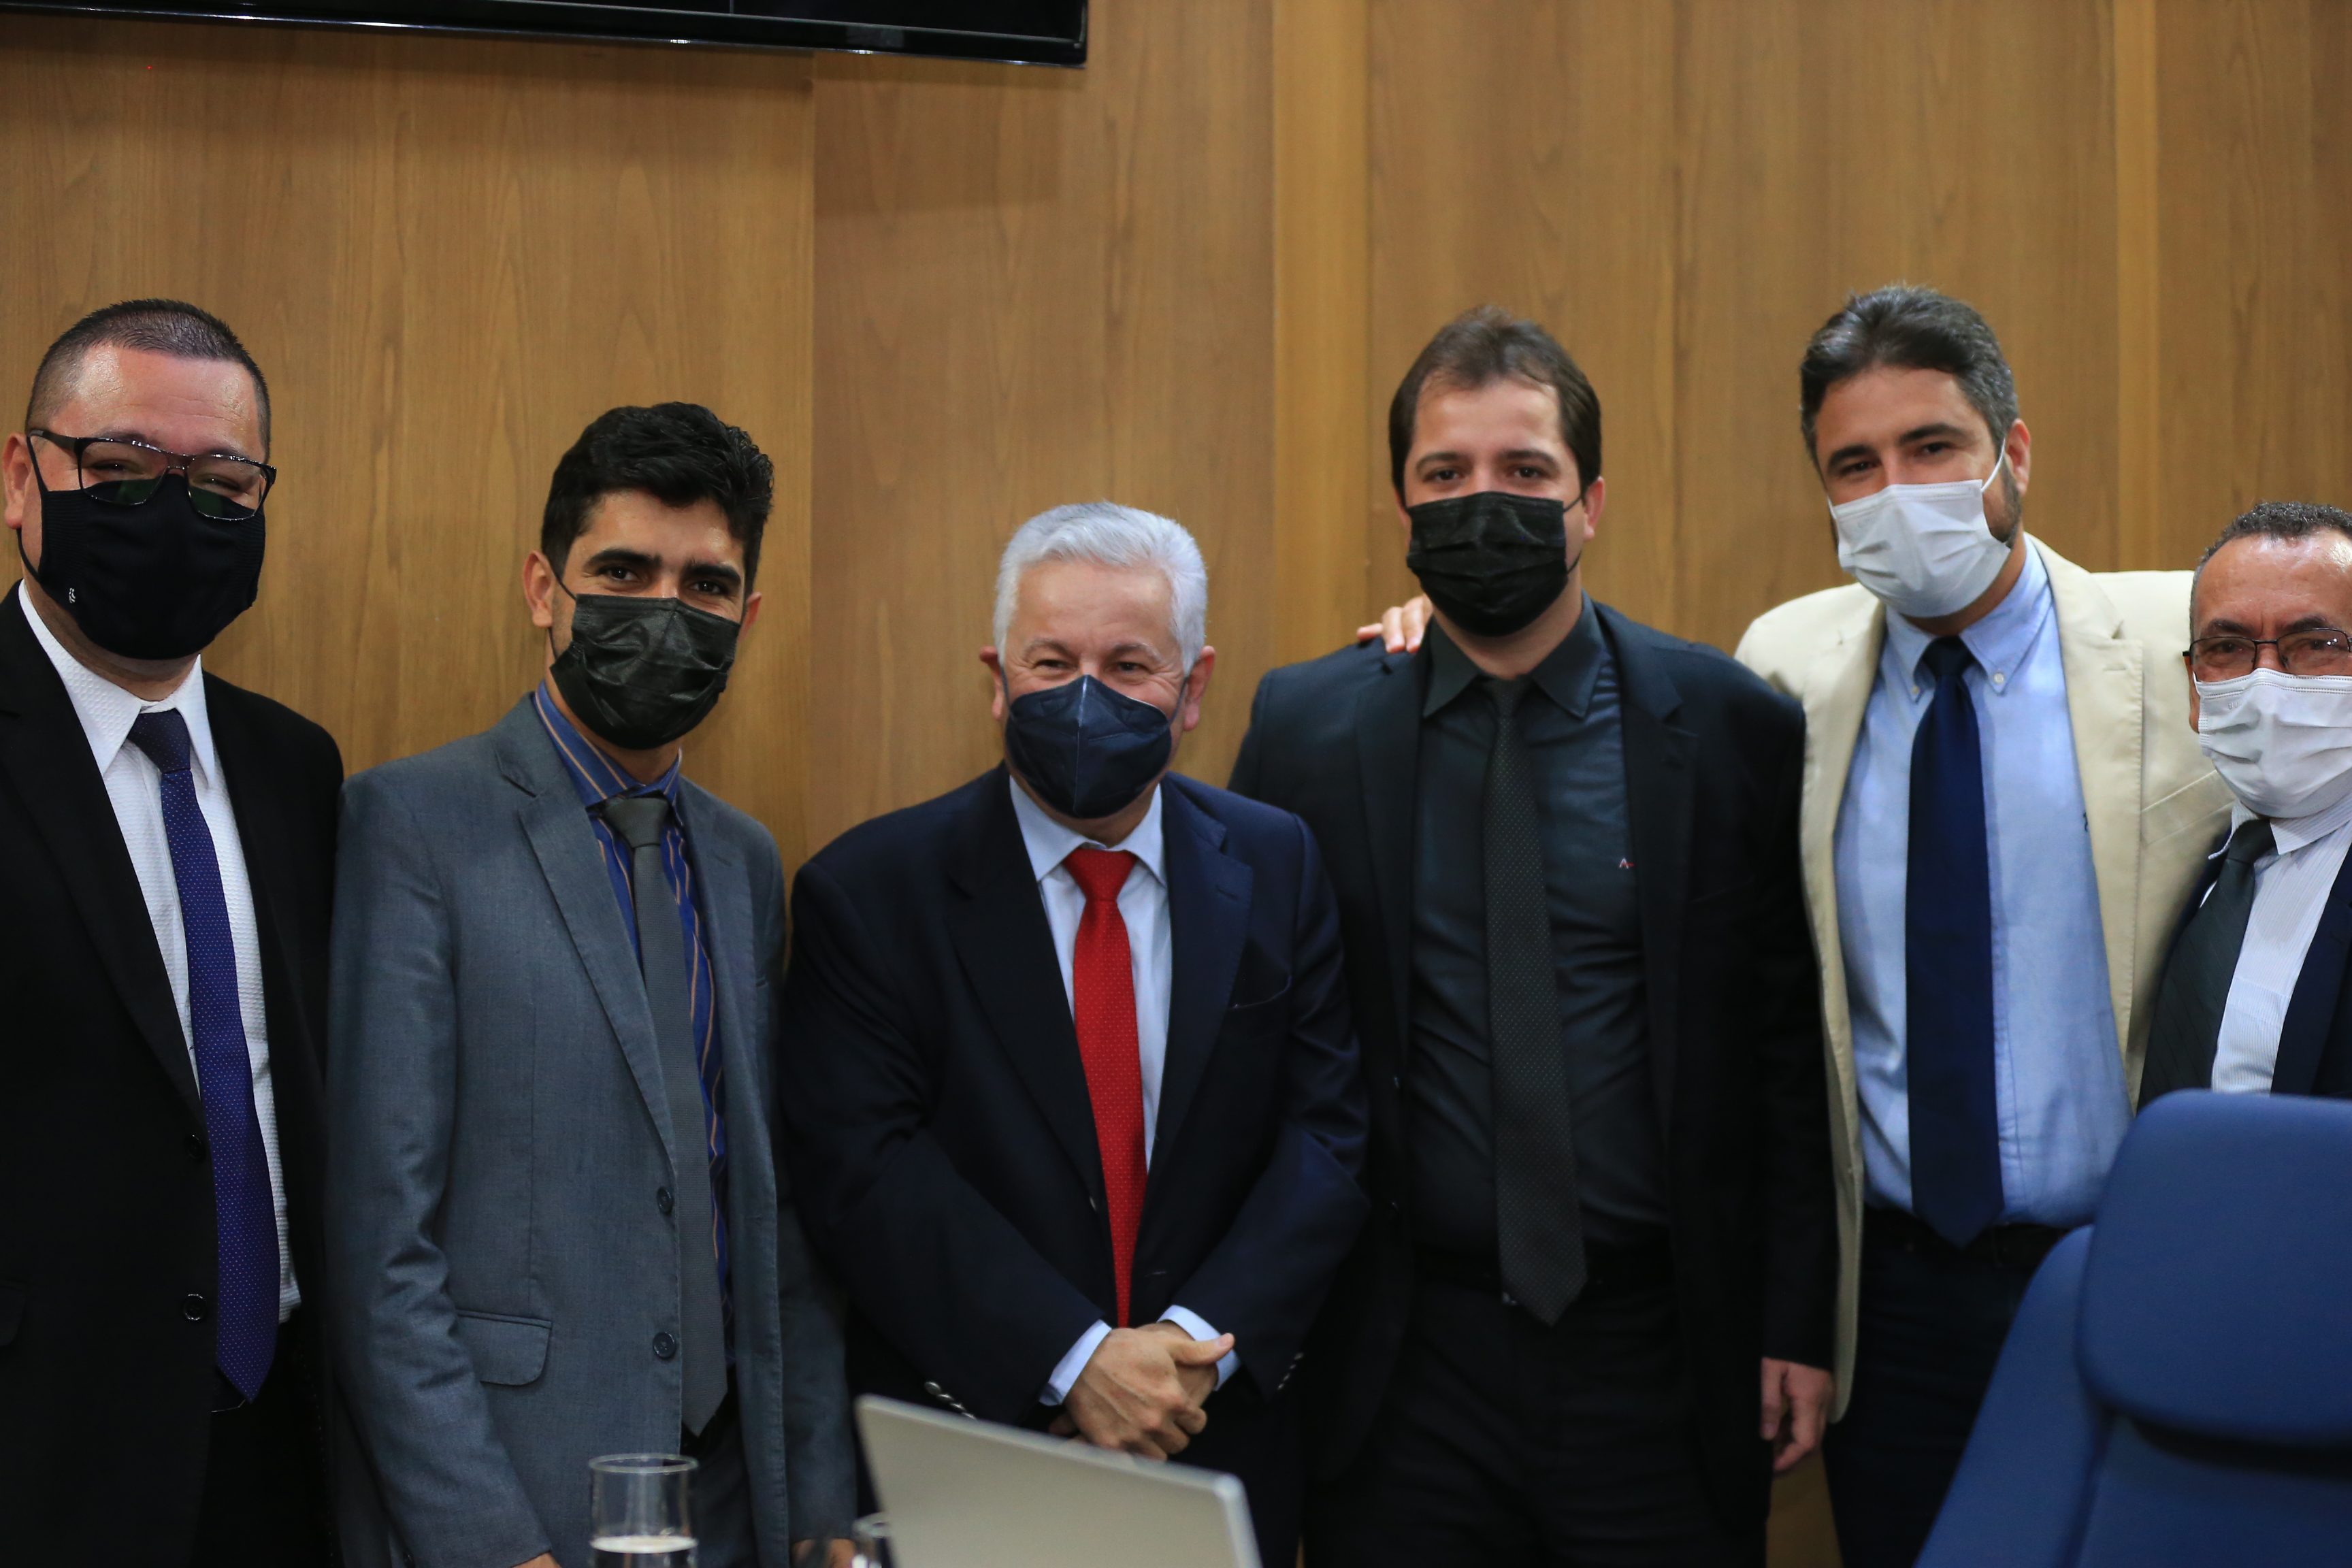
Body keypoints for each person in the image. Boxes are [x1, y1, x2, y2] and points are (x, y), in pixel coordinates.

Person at [1239, 306, 1837, 1567]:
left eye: (1524, 471)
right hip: (1402, 1363)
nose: (1484, 504)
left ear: (1591, 502)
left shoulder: (1728, 726)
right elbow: (1260, 1044)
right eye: (1445, 474)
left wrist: (1794, 1317)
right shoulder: (1305, 731)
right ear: (1403, 509)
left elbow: (1781, 1049)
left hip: (1661, 1355)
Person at [1733, 288, 2230, 1567]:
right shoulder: (1780, 668)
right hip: (1891, 1301)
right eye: (1855, 465)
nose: (1897, 490)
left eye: (1933, 447)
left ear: (2013, 452)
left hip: (2132, 1262)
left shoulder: (2189, 639)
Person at [777, 502, 1369, 1568]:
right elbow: (865, 1170)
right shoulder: (869, 892)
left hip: (1217, 1439)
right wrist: (1075, 1356)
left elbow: (1325, 1137)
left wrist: (1189, 1347)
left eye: (1129, 665)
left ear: (1194, 688)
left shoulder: (1277, 863)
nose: (1085, 697)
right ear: (997, 678)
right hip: (974, 1455)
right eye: (1052, 663)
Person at [326, 404, 851, 1568]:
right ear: (543, 589)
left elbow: (776, 1218)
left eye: (706, 585)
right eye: (622, 572)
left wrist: (818, 1513)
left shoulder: (744, 859)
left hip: (734, 1502)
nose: (665, 611)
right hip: (523, 1497)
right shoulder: (411, 824)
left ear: (748, 616)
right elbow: (379, 1249)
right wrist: (490, 1544)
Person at [0, 300, 341, 1566]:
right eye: (124, 471)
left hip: (284, 1451)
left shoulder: (295, 767)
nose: (174, 513)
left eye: (222, 484)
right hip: (41, 1462)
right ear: (23, 477)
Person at [2141, 501, 2352, 1103]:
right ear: (2194, 691)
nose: (2265, 683)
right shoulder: (2187, 862)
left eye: (2315, 643)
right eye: (2227, 647)